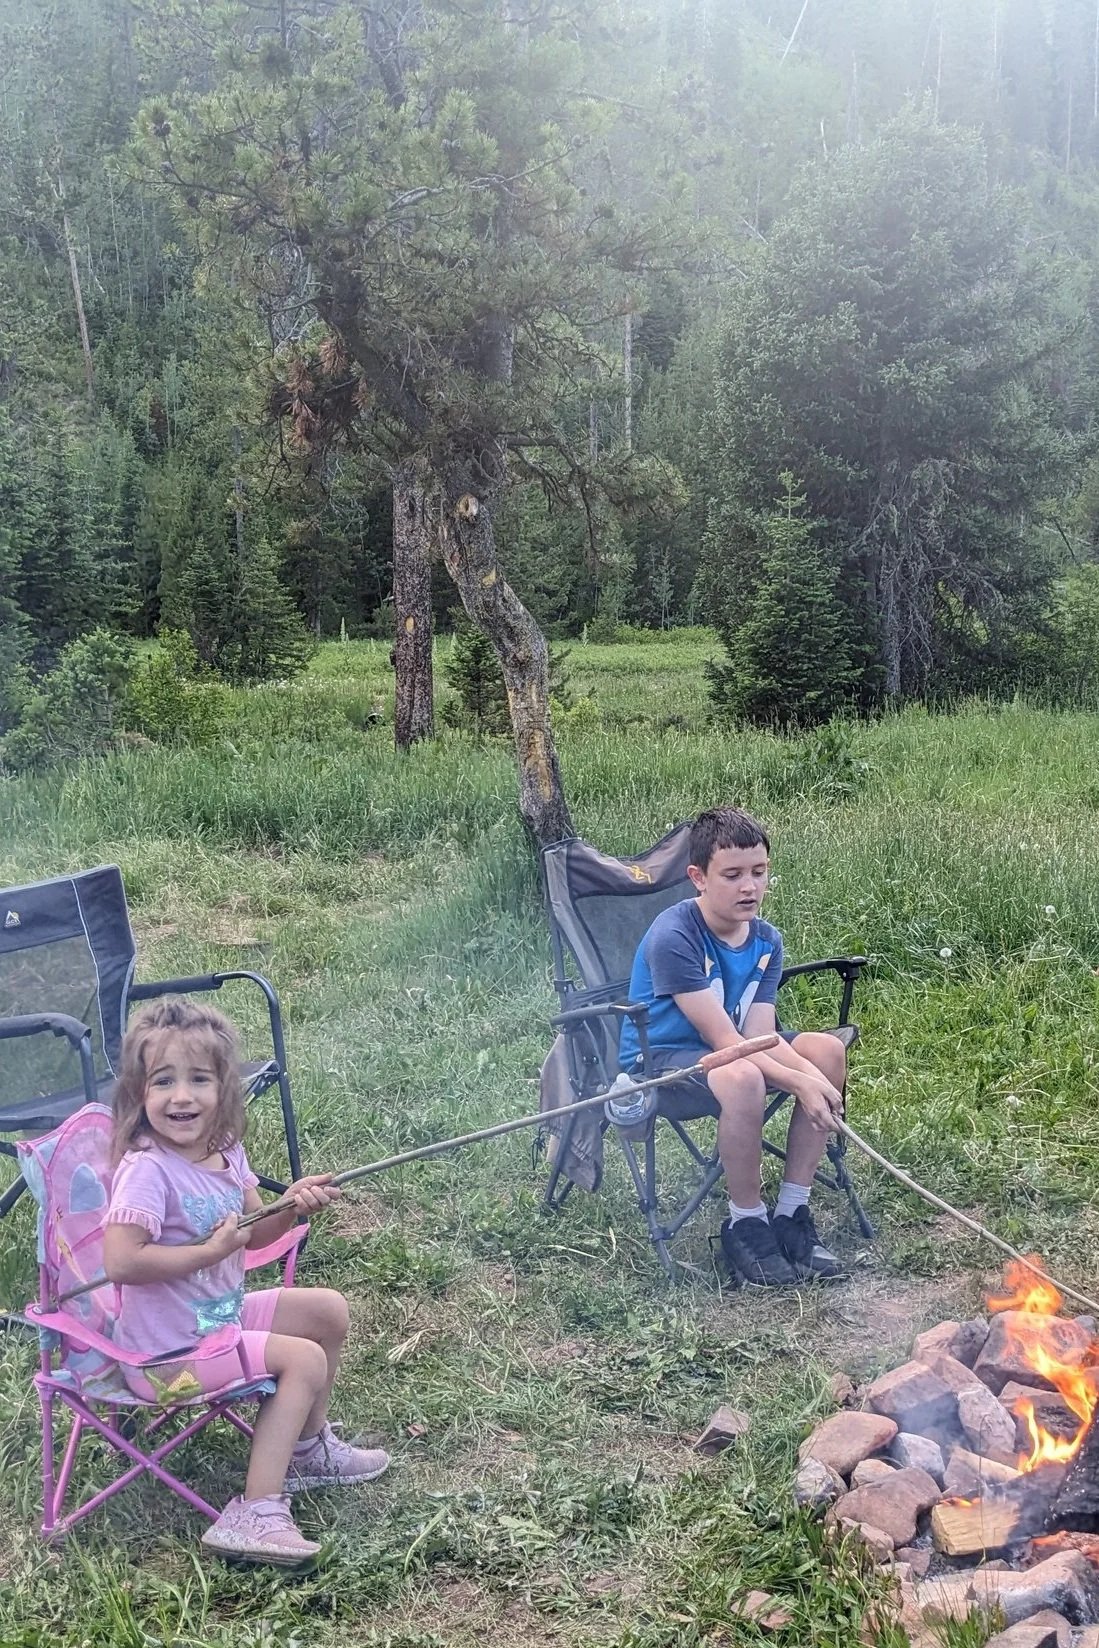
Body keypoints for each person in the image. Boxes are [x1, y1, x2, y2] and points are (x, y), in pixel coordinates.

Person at [103, 997, 389, 1567]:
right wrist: (207, 1251)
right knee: (302, 1360)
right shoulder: (146, 1170)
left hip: (216, 1321)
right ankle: (255, 1511)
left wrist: (290, 1206)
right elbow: (121, 1262)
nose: (181, 1096)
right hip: (165, 1356)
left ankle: (305, 1452)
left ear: (225, 1090)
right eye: (163, 1081)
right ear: (140, 1094)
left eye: (199, 1079)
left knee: (326, 1310)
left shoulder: (225, 1152)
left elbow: (256, 1235)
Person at [619, 806, 847, 1287]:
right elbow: (724, 1042)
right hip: (664, 1060)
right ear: (698, 877)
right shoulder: (675, 934)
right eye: (733, 875)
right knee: (743, 1076)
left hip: (736, 1050)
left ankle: (791, 1213)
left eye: (759, 872)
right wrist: (801, 1083)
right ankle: (746, 1221)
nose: (750, 887)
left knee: (826, 1052)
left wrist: (812, 1076)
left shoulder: (766, 939)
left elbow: (758, 1034)